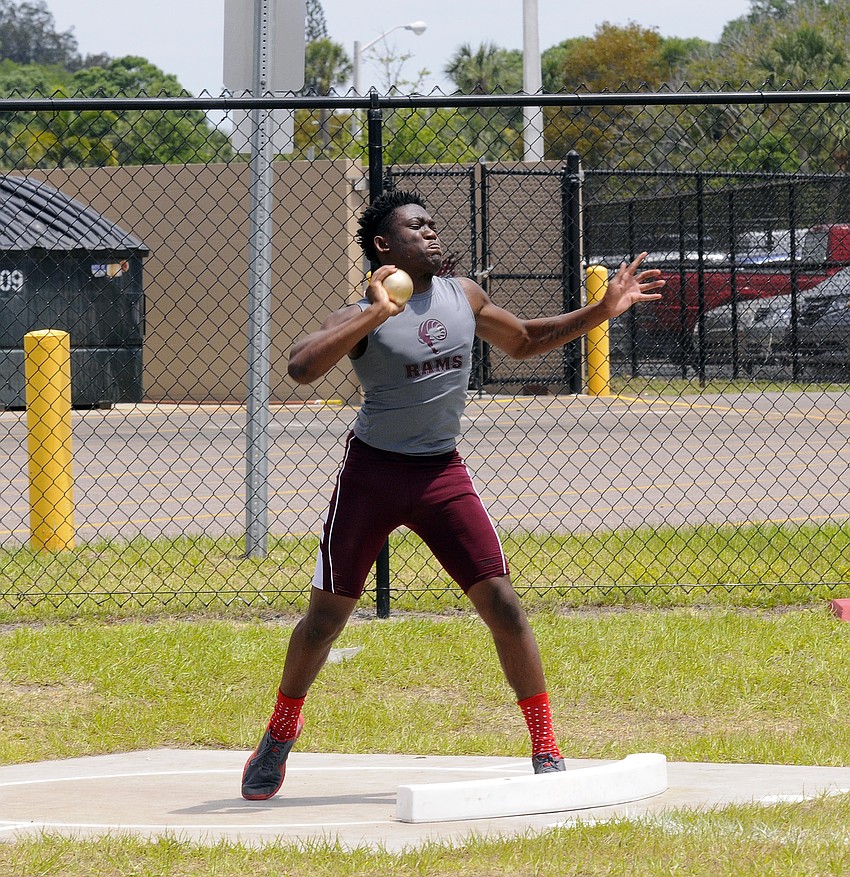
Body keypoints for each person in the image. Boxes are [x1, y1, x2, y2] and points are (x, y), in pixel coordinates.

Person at [241, 190, 664, 801]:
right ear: (385, 246)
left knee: (504, 604)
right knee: (325, 620)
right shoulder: (363, 310)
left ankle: (546, 749)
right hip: (373, 475)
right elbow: (301, 367)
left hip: (440, 474)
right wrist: (376, 312)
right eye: (417, 228)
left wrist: (601, 311)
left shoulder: (464, 295)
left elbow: (523, 341)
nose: (433, 234)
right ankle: (280, 732)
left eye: (434, 226)